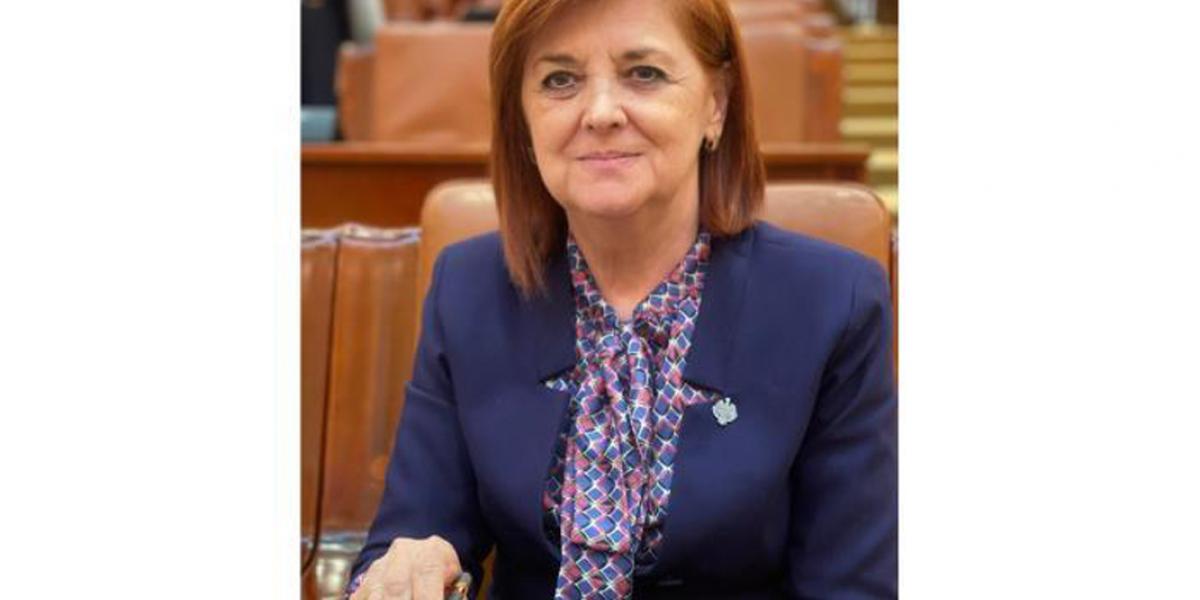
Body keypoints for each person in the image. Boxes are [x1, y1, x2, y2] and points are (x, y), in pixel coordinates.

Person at [347, 0, 896, 597]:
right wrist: (411, 565)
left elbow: (851, 585)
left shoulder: (832, 301)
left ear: (716, 103)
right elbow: (412, 531)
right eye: (560, 80)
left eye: (644, 74)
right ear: (522, 120)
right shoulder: (469, 286)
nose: (601, 112)